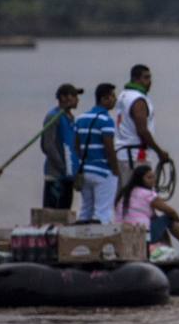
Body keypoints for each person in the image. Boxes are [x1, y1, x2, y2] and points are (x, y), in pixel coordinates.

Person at [115, 164, 179, 257]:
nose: (153, 180)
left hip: (122, 235)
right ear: (140, 180)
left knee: (160, 223)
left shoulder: (126, 193)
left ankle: (168, 251)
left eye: (153, 177)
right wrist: (178, 219)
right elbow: (170, 211)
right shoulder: (147, 194)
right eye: (149, 178)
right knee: (169, 219)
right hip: (140, 235)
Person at [113, 64, 169, 187]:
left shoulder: (123, 95)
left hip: (121, 153)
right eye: (146, 78)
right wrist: (159, 152)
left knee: (124, 195)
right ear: (136, 79)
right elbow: (142, 131)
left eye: (150, 78)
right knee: (139, 196)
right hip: (136, 156)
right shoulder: (138, 100)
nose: (150, 82)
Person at [73, 83, 121, 223]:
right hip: (102, 171)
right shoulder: (106, 121)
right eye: (112, 96)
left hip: (84, 171)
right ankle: (100, 241)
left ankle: (80, 238)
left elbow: (76, 147)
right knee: (103, 211)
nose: (115, 99)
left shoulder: (80, 118)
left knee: (86, 209)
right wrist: (115, 170)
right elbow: (109, 148)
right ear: (104, 99)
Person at [41, 83, 81, 209]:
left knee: (65, 211)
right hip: (56, 175)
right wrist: (62, 167)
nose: (77, 100)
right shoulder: (53, 116)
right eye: (74, 96)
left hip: (69, 175)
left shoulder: (70, 118)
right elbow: (47, 145)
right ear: (63, 98)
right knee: (53, 213)